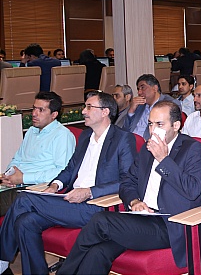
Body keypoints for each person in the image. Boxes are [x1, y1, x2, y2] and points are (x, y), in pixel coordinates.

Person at [57, 101, 201, 274]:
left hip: (170, 225)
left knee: (100, 220)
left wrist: (163, 159)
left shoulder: (192, 149)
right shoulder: (147, 149)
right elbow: (127, 182)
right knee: (98, 252)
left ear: (176, 125)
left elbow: (192, 190)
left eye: (159, 124)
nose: (153, 130)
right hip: (142, 217)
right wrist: (134, 201)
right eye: (150, 124)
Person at [0, 91, 136, 275]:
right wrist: (55, 185)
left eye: (89, 107)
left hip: (95, 206)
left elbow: (127, 180)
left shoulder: (122, 139)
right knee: (25, 222)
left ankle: (1, 260)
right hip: (70, 199)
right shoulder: (86, 137)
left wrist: (89, 191)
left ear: (105, 112)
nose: (83, 111)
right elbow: (70, 169)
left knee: (24, 198)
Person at [0, 92, 76, 215]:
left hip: (35, 188)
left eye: (41, 110)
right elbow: (17, 159)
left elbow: (62, 171)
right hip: (16, 184)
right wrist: (9, 176)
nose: (34, 113)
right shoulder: (31, 131)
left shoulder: (62, 135)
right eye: (34, 108)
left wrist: (23, 178)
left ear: (54, 115)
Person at [124, 74, 180, 139]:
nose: (139, 92)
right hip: (130, 141)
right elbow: (125, 129)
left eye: (143, 88)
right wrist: (131, 110)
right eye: (138, 89)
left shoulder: (170, 104)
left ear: (155, 88)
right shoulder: (139, 105)